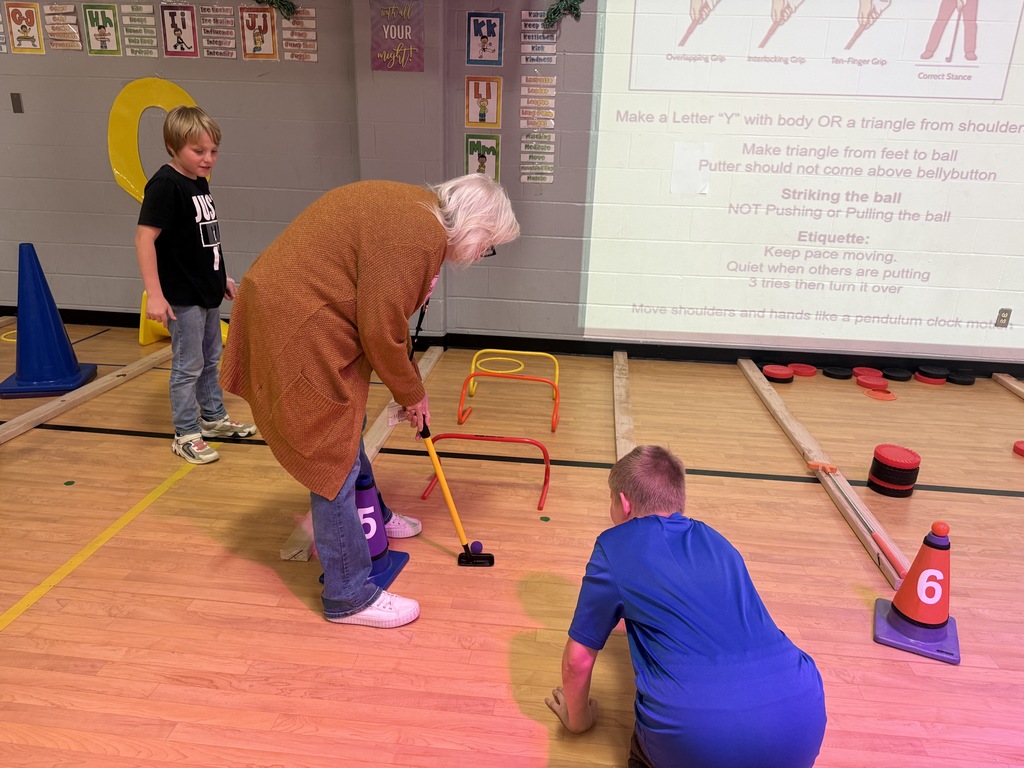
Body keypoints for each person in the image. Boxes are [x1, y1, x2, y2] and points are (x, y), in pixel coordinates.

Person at [220, 174, 520, 629]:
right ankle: (349, 594)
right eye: (488, 245)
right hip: (296, 324)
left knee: (345, 424)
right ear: (476, 225)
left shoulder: (419, 217)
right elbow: (380, 330)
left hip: (300, 310)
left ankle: (372, 515)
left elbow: (388, 321)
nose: (481, 255)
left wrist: (411, 385)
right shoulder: (415, 236)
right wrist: (411, 393)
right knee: (329, 453)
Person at [546, 446, 826, 768]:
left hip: (697, 735)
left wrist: (578, 721)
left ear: (624, 503)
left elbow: (578, 660)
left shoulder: (614, 545)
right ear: (678, 501)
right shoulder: (718, 541)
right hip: (802, 714)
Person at [135, 105, 257, 465]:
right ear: (173, 147)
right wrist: (155, 296)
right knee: (187, 365)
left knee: (210, 359)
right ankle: (186, 433)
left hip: (206, 290)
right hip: (182, 295)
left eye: (213, 151)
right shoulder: (165, 185)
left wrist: (222, 277)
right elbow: (144, 239)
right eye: (199, 151)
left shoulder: (198, 182)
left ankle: (213, 418)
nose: (208, 159)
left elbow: (206, 239)